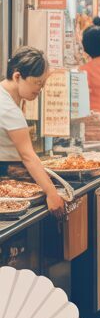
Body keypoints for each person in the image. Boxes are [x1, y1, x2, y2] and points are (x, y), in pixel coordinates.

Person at [0, 47, 66, 218]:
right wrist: (52, 194)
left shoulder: (6, 95)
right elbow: (28, 156)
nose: (40, 89)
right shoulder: (7, 109)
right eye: (37, 83)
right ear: (17, 77)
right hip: (6, 175)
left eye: (43, 84)